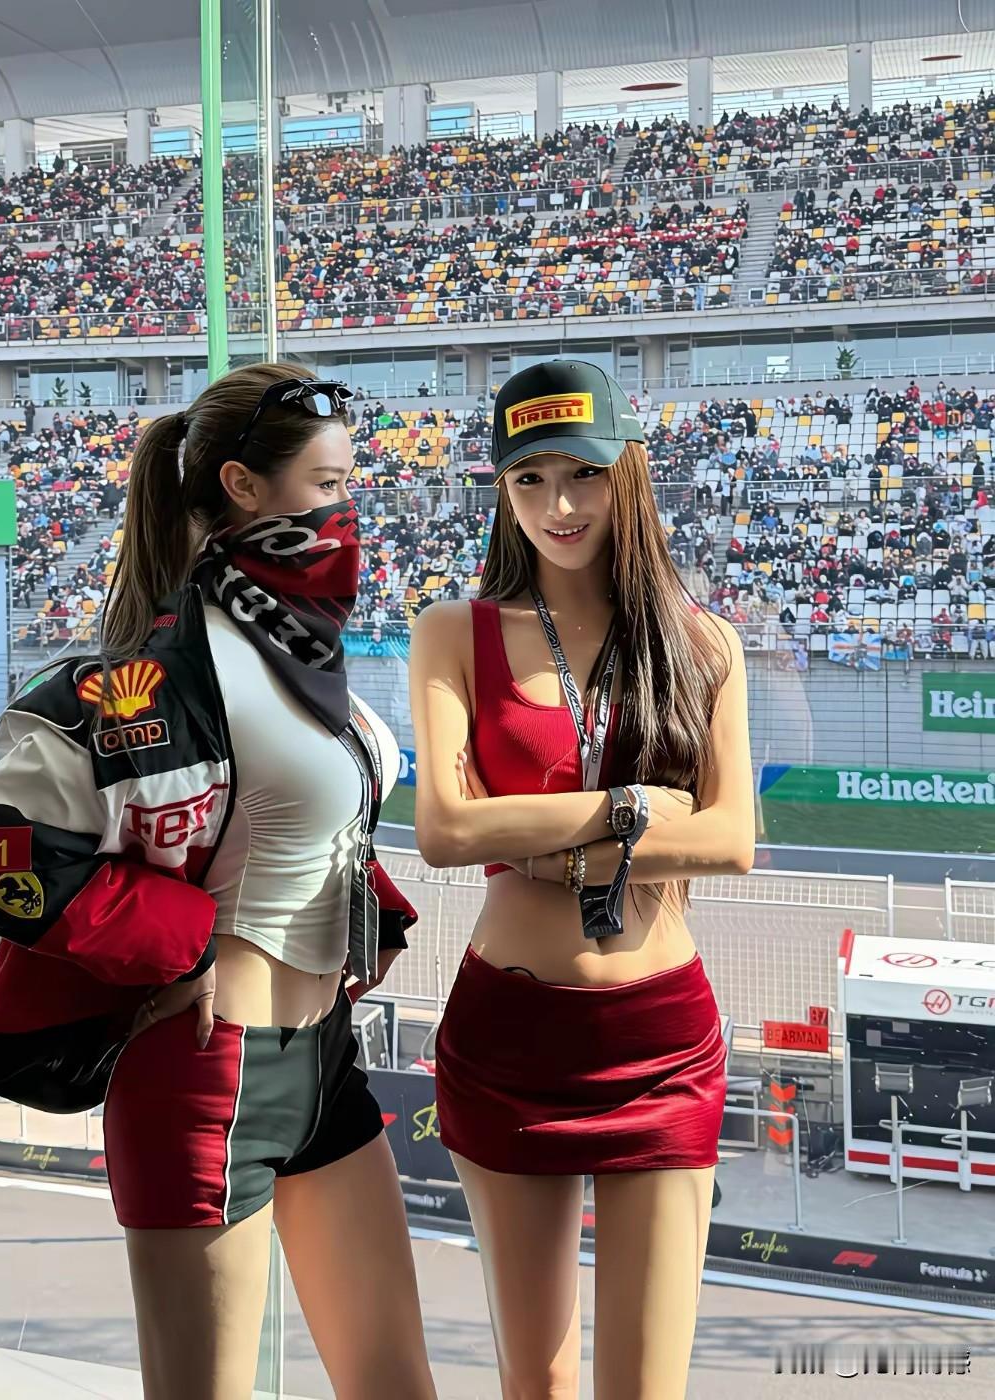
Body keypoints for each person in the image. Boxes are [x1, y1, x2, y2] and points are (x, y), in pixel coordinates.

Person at [0, 365, 436, 1400]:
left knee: (399, 1385)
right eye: (327, 484)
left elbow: (291, 827)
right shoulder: (147, 677)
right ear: (243, 487)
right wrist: (183, 938)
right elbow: (1, 858)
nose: (347, 508)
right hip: (205, 1073)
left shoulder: (304, 650)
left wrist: (371, 917)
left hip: (328, 1063)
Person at [409, 359, 755, 1400]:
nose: (558, 506)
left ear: (627, 473)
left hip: (663, 1044)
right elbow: (444, 829)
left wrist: (530, 843)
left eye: (583, 475)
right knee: (537, 1385)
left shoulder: (704, 644)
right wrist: (634, 809)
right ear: (501, 490)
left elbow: (731, 840)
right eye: (529, 480)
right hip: (508, 1038)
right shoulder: (452, 633)